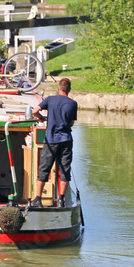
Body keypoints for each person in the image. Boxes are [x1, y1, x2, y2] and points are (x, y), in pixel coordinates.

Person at [30, 78, 77, 208]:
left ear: (58, 88)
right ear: (69, 89)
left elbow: (34, 111)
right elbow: (72, 122)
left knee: (44, 168)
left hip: (51, 140)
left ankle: (38, 199)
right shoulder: (73, 103)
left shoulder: (50, 100)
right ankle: (61, 199)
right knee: (64, 170)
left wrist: (42, 118)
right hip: (66, 140)